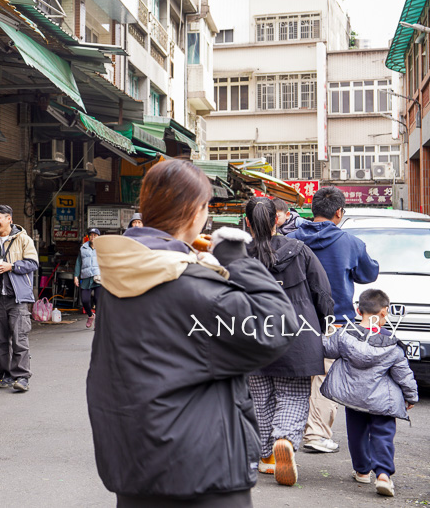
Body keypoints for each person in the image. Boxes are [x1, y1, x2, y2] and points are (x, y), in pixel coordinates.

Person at [88, 159, 296, 507]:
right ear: (195, 211)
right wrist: (238, 259)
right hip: (200, 470)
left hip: (133, 463)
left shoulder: (120, 275)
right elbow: (276, 326)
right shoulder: (189, 283)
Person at [243, 198, 334, 487]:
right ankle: (284, 440)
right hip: (297, 335)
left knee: (259, 399)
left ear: (247, 222)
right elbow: (323, 294)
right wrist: (319, 328)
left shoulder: (237, 256)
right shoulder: (300, 251)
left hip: (251, 338)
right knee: (293, 397)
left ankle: (266, 456)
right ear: (277, 221)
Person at [288, 185, 380, 455]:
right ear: (339, 212)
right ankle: (316, 435)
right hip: (334, 322)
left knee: (293, 379)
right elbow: (368, 274)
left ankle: (285, 437)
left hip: (294, 320)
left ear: (312, 209)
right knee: (324, 377)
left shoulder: (291, 239)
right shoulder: (350, 243)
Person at [321, 289, 418, 498]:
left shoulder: (344, 334)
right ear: (385, 312)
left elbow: (327, 349)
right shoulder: (392, 344)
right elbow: (404, 375)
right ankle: (383, 475)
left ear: (358, 310)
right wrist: (411, 397)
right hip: (383, 401)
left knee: (356, 435)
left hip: (353, 397)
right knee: (383, 435)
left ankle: (362, 471)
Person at [0, 204, 38, 392]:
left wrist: (11, 266)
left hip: (18, 297)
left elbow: (32, 263)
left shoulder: (23, 239)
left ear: (9, 219)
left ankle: (22, 377)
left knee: (19, 338)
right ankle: (5, 375)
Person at [75, 228, 101, 330]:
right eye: (91, 235)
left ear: (98, 237)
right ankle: (90, 315)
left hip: (99, 277)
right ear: (88, 237)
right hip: (86, 277)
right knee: (85, 300)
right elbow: (78, 263)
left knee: (98, 299)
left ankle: (98, 322)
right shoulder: (83, 248)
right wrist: (76, 276)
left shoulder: (103, 248)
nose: (93, 237)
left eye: (95, 235)